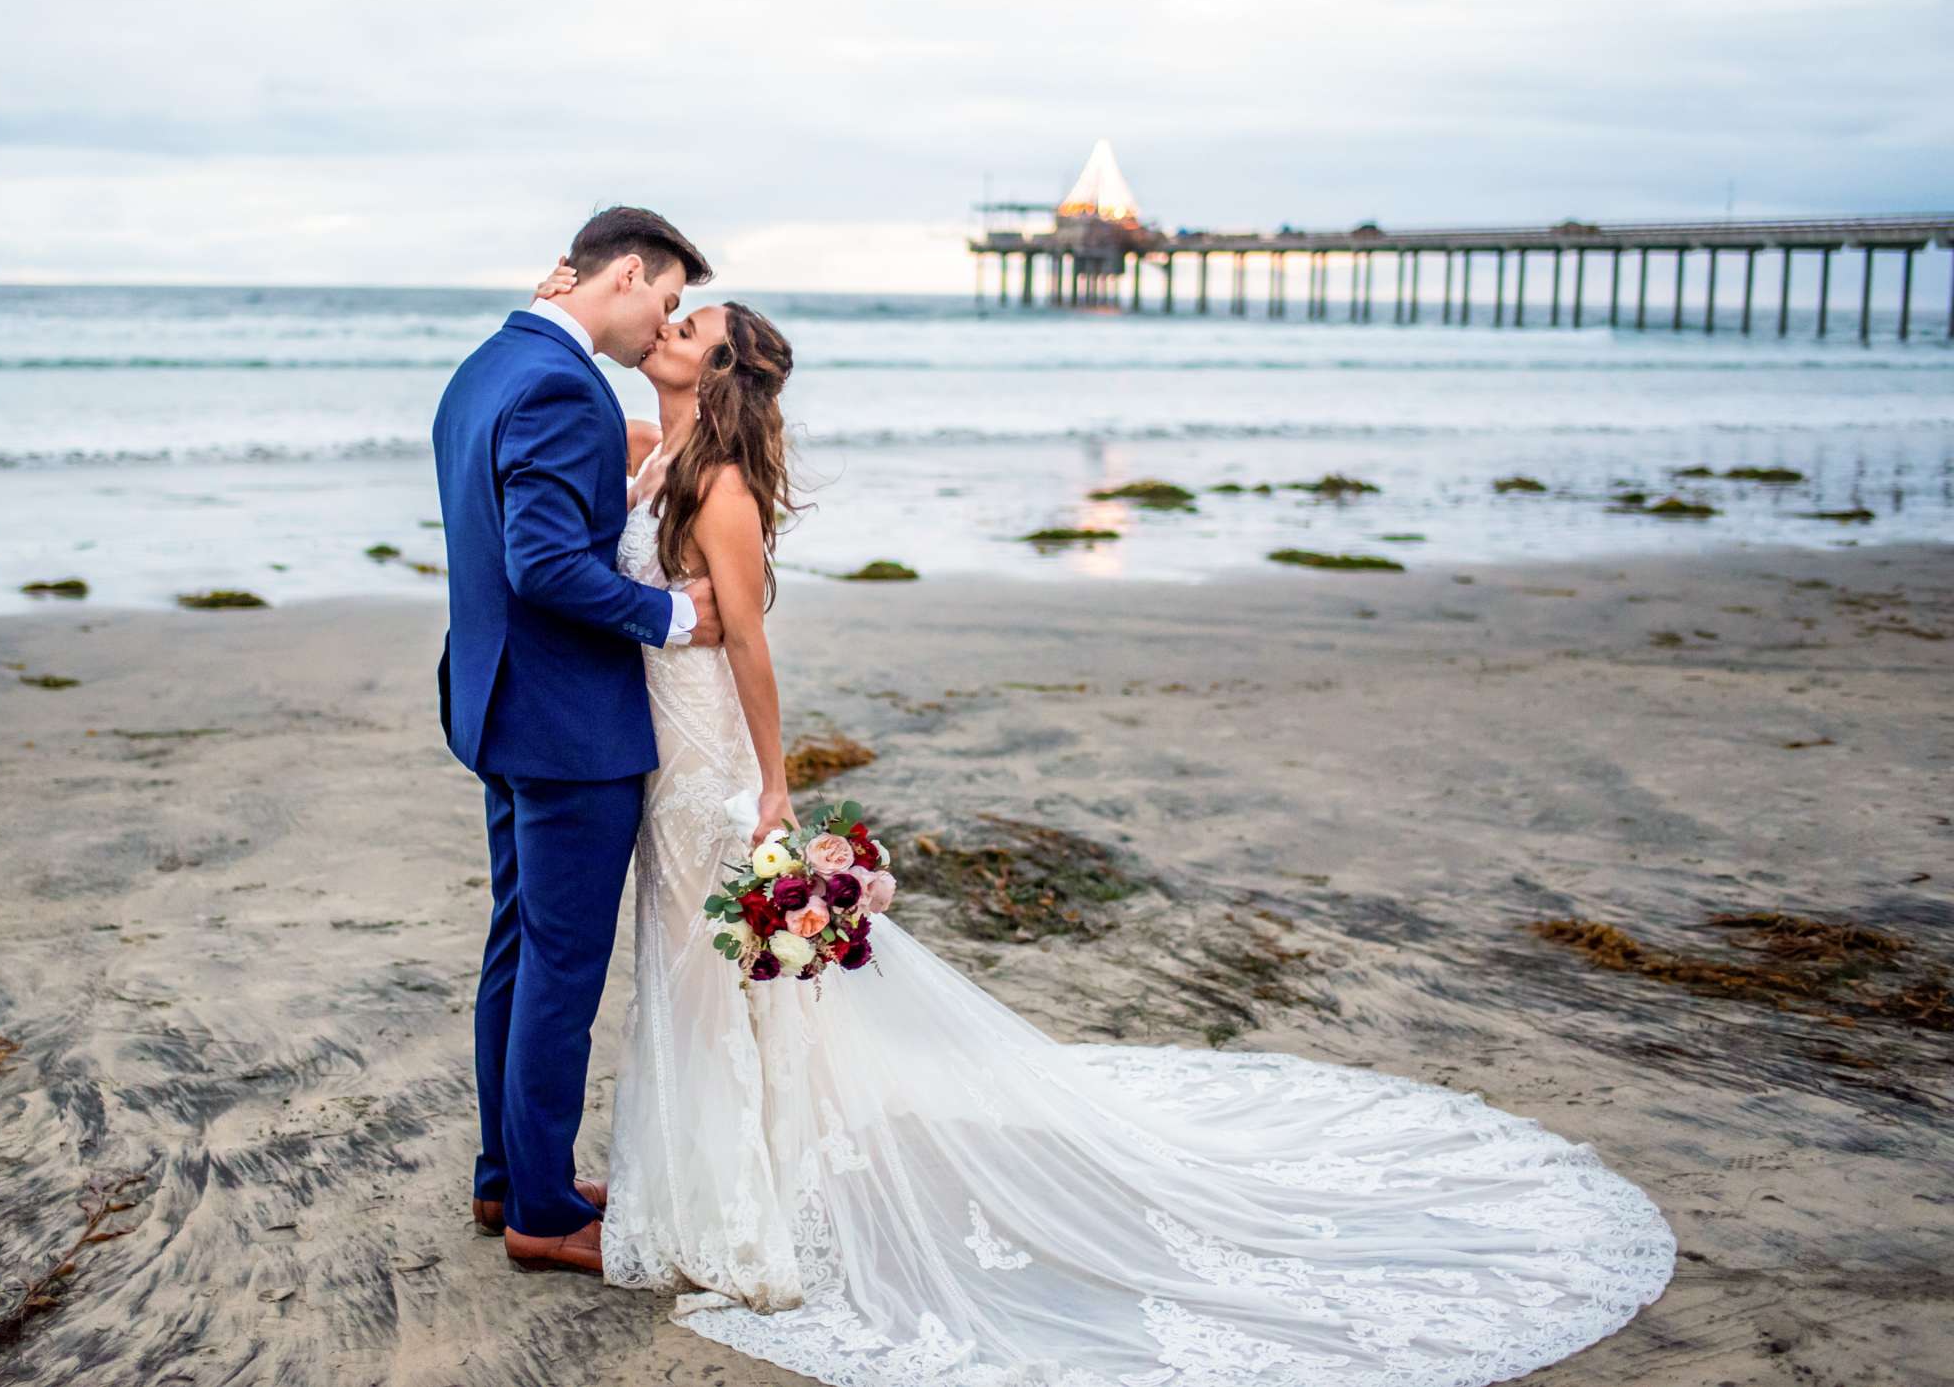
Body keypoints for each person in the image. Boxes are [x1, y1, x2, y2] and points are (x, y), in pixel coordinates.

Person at [525, 258, 1676, 1386]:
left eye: (690, 328)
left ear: (720, 376)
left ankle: (737, 1209)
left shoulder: (719, 486)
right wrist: (554, 319)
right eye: (672, 319)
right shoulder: (657, 454)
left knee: (715, 979)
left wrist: (774, 786)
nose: (666, 327)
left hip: (707, 768)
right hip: (660, 763)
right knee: (692, 979)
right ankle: (714, 1187)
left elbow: (754, 650)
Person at [429, 206, 722, 1277]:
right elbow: (543, 563)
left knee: (519, 946)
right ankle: (542, 1213)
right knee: (560, 965)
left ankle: (508, 1174)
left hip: (501, 706)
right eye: (668, 299)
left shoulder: (485, 366)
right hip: (566, 726)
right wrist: (678, 618)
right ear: (629, 273)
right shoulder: (561, 385)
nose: (664, 323)